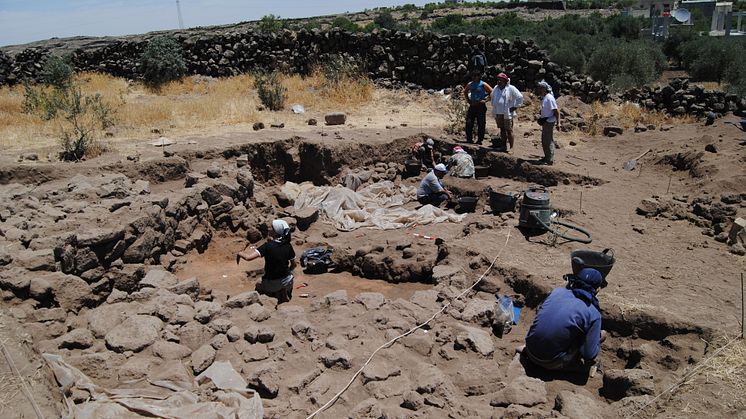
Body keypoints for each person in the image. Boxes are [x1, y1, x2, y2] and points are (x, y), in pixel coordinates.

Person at [522, 268, 606, 374]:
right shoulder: (593, 313)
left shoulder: (557, 292)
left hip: (529, 349)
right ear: (597, 289)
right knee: (601, 335)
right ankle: (568, 366)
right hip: (550, 362)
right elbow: (589, 354)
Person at [236, 219, 296, 303]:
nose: (269, 228)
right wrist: (286, 271)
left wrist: (239, 253)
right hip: (288, 281)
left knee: (258, 285)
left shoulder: (267, 246)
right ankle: (283, 291)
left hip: (272, 283)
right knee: (286, 278)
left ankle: (269, 298)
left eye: (271, 227)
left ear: (275, 231)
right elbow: (294, 265)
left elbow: (248, 258)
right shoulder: (288, 245)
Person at [491, 72, 524, 152]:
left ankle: (512, 148)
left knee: (509, 130)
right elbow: (492, 96)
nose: (499, 82)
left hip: (507, 113)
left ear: (505, 81)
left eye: (500, 80)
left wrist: (515, 106)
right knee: (502, 129)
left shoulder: (511, 88)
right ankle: (503, 146)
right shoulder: (496, 88)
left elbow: (520, 97)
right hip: (498, 112)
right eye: (498, 80)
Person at [464, 71, 493, 145]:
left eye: (475, 76)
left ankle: (480, 140)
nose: (474, 77)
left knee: (481, 123)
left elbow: (492, 92)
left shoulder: (483, 84)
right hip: (472, 105)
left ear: (479, 76)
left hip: (480, 106)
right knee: (469, 122)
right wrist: (468, 100)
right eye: (473, 76)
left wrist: (486, 100)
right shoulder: (470, 84)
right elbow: (465, 91)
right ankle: (469, 139)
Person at [536, 80, 561, 165]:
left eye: (539, 88)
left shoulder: (549, 98)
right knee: (544, 140)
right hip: (546, 121)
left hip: (549, 122)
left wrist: (558, 123)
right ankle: (547, 157)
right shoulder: (545, 97)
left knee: (548, 140)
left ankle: (550, 159)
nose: (538, 90)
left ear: (543, 89)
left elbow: (556, 111)